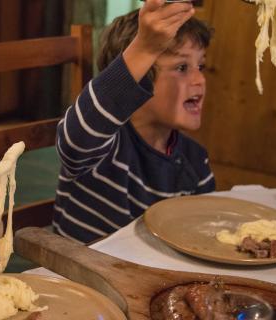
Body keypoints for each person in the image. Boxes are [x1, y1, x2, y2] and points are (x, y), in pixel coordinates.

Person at [53, 0, 216, 244]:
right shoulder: (105, 144)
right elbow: (75, 139)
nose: (199, 79)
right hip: (78, 274)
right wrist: (144, 49)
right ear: (138, 79)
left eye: (200, 66)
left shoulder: (196, 160)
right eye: (182, 67)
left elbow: (201, 235)